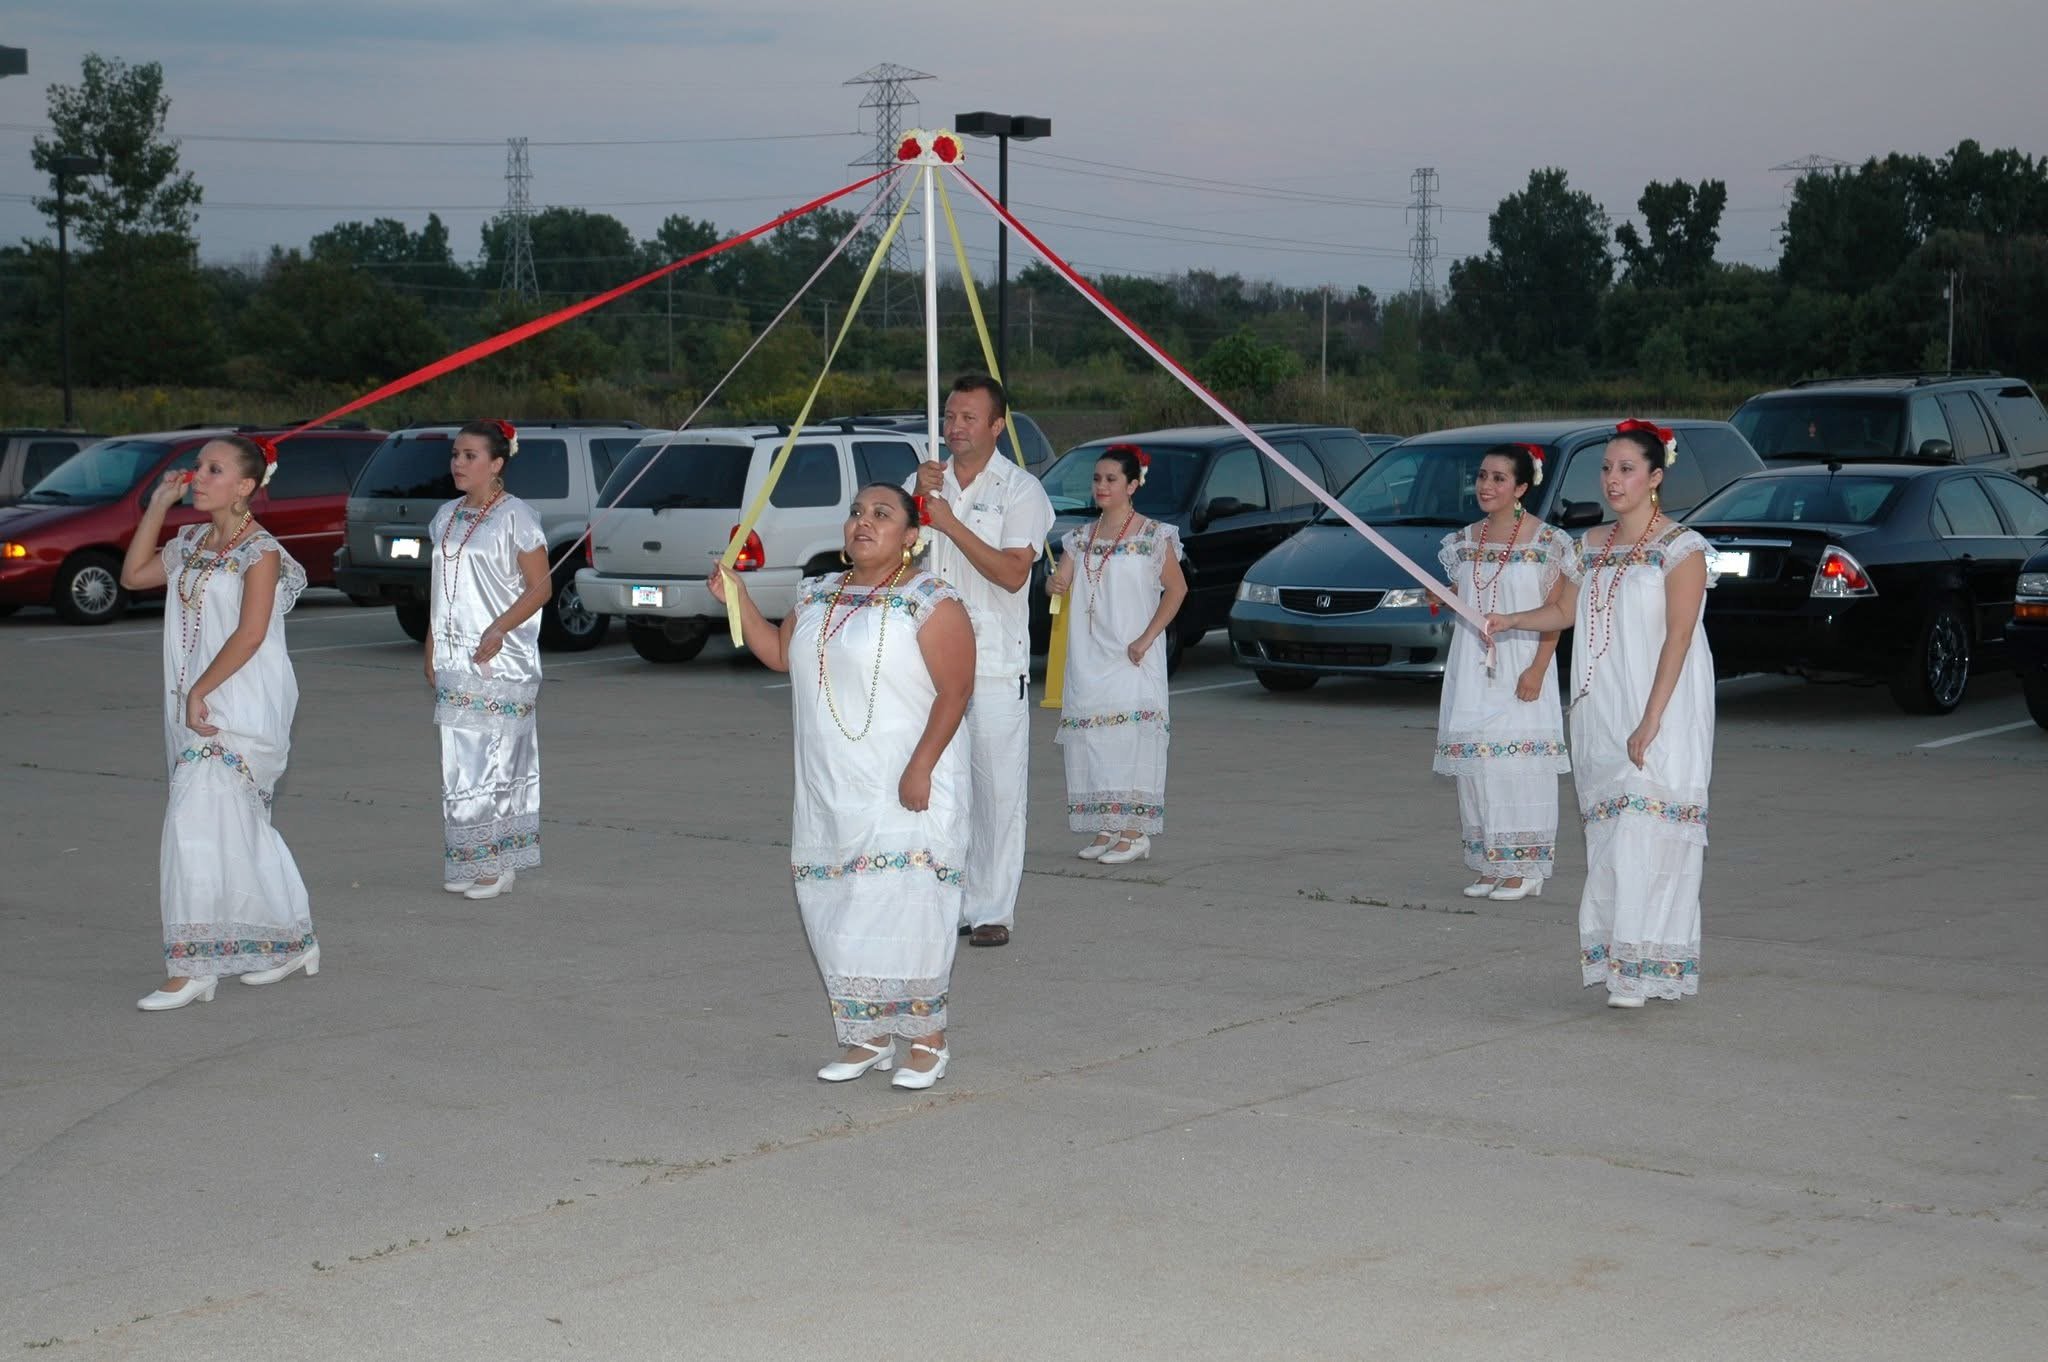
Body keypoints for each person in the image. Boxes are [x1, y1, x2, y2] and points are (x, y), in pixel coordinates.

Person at [711, 483, 975, 1088]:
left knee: (906, 907)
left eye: (882, 515)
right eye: (857, 512)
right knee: (841, 907)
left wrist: (920, 765)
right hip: (831, 785)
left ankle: (927, 1041)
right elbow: (779, 653)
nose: (863, 522)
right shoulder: (817, 593)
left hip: (908, 780)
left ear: (912, 536)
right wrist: (738, 598)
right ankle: (865, 1035)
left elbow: (956, 690)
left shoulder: (931, 600)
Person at [1486, 420, 1716, 1008]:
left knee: (1650, 834)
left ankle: (1639, 971)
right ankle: (1628, 960)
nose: (1613, 480)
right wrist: (1511, 622)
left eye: (1626, 469)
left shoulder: (1682, 548)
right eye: (1607, 469)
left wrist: (1652, 719)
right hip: (1599, 707)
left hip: (1662, 705)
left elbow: (1680, 638)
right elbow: (1560, 611)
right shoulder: (1586, 548)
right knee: (1614, 841)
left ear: (1655, 477)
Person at [119, 435, 316, 1010]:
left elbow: (252, 633)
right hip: (193, 704)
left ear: (247, 486)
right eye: (199, 468)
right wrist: (158, 504)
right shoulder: (192, 543)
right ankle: (290, 942)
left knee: (192, 824)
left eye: (214, 469)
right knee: (237, 828)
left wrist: (200, 689)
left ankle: (193, 965)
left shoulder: (262, 552)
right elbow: (132, 577)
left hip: (241, 703)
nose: (198, 477)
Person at [911, 374, 1056, 947]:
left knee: (996, 792)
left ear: (997, 426)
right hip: (926, 664)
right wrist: (919, 508)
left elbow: (1013, 572)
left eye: (969, 418)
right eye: (950, 416)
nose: (955, 428)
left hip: (994, 662)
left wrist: (950, 523)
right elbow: (898, 557)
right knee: (937, 788)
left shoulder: (1021, 490)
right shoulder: (925, 483)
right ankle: (945, 899)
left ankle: (991, 909)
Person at [1434, 443, 1573, 901]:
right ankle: (1493, 863)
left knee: (1518, 766)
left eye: (1498, 478)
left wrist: (1537, 668)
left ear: (1521, 487)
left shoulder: (1548, 543)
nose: (1486, 486)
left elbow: (1557, 612)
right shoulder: (1462, 542)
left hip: (1521, 663)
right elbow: (1466, 598)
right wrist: (1442, 595)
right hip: (1473, 666)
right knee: (1480, 767)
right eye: (1482, 476)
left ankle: (1527, 867)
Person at [426, 421, 552, 899]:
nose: (459, 463)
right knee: (460, 760)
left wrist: (500, 627)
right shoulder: (445, 516)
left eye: (470, 456)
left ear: (497, 464)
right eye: (456, 454)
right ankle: (470, 855)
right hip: (455, 652)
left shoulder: (517, 517)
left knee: (498, 758)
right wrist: (431, 644)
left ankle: (499, 862)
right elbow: (439, 588)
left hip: (503, 656)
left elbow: (541, 586)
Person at [1045, 444, 1188, 864]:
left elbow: (1177, 590)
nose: (1102, 486)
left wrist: (1146, 638)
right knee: (1094, 740)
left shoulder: (1152, 536)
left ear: (1132, 484)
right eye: (1097, 479)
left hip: (1133, 655)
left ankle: (1135, 830)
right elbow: (1061, 581)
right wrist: (1053, 585)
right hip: (1090, 656)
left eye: (1111, 479)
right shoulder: (1080, 538)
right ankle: (1107, 825)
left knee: (1131, 740)